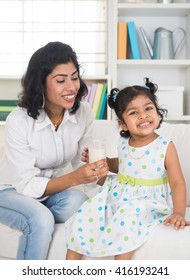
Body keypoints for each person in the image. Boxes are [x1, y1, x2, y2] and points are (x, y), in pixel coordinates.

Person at [0, 41, 109, 260]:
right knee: (40, 218)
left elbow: (81, 166)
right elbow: (27, 185)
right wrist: (74, 178)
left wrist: (96, 174)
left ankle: (36, 217)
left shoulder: (83, 112)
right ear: (40, 84)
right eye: (60, 80)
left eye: (75, 77)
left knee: (79, 204)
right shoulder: (18, 121)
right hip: (12, 191)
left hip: (51, 192)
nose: (72, 87)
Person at [65, 77, 190, 260]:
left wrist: (179, 212)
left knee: (128, 215)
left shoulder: (165, 146)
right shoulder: (123, 142)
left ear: (157, 112)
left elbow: (177, 182)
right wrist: (106, 162)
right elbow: (122, 164)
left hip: (147, 199)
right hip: (119, 193)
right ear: (123, 124)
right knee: (87, 212)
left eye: (148, 109)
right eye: (133, 113)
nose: (143, 115)